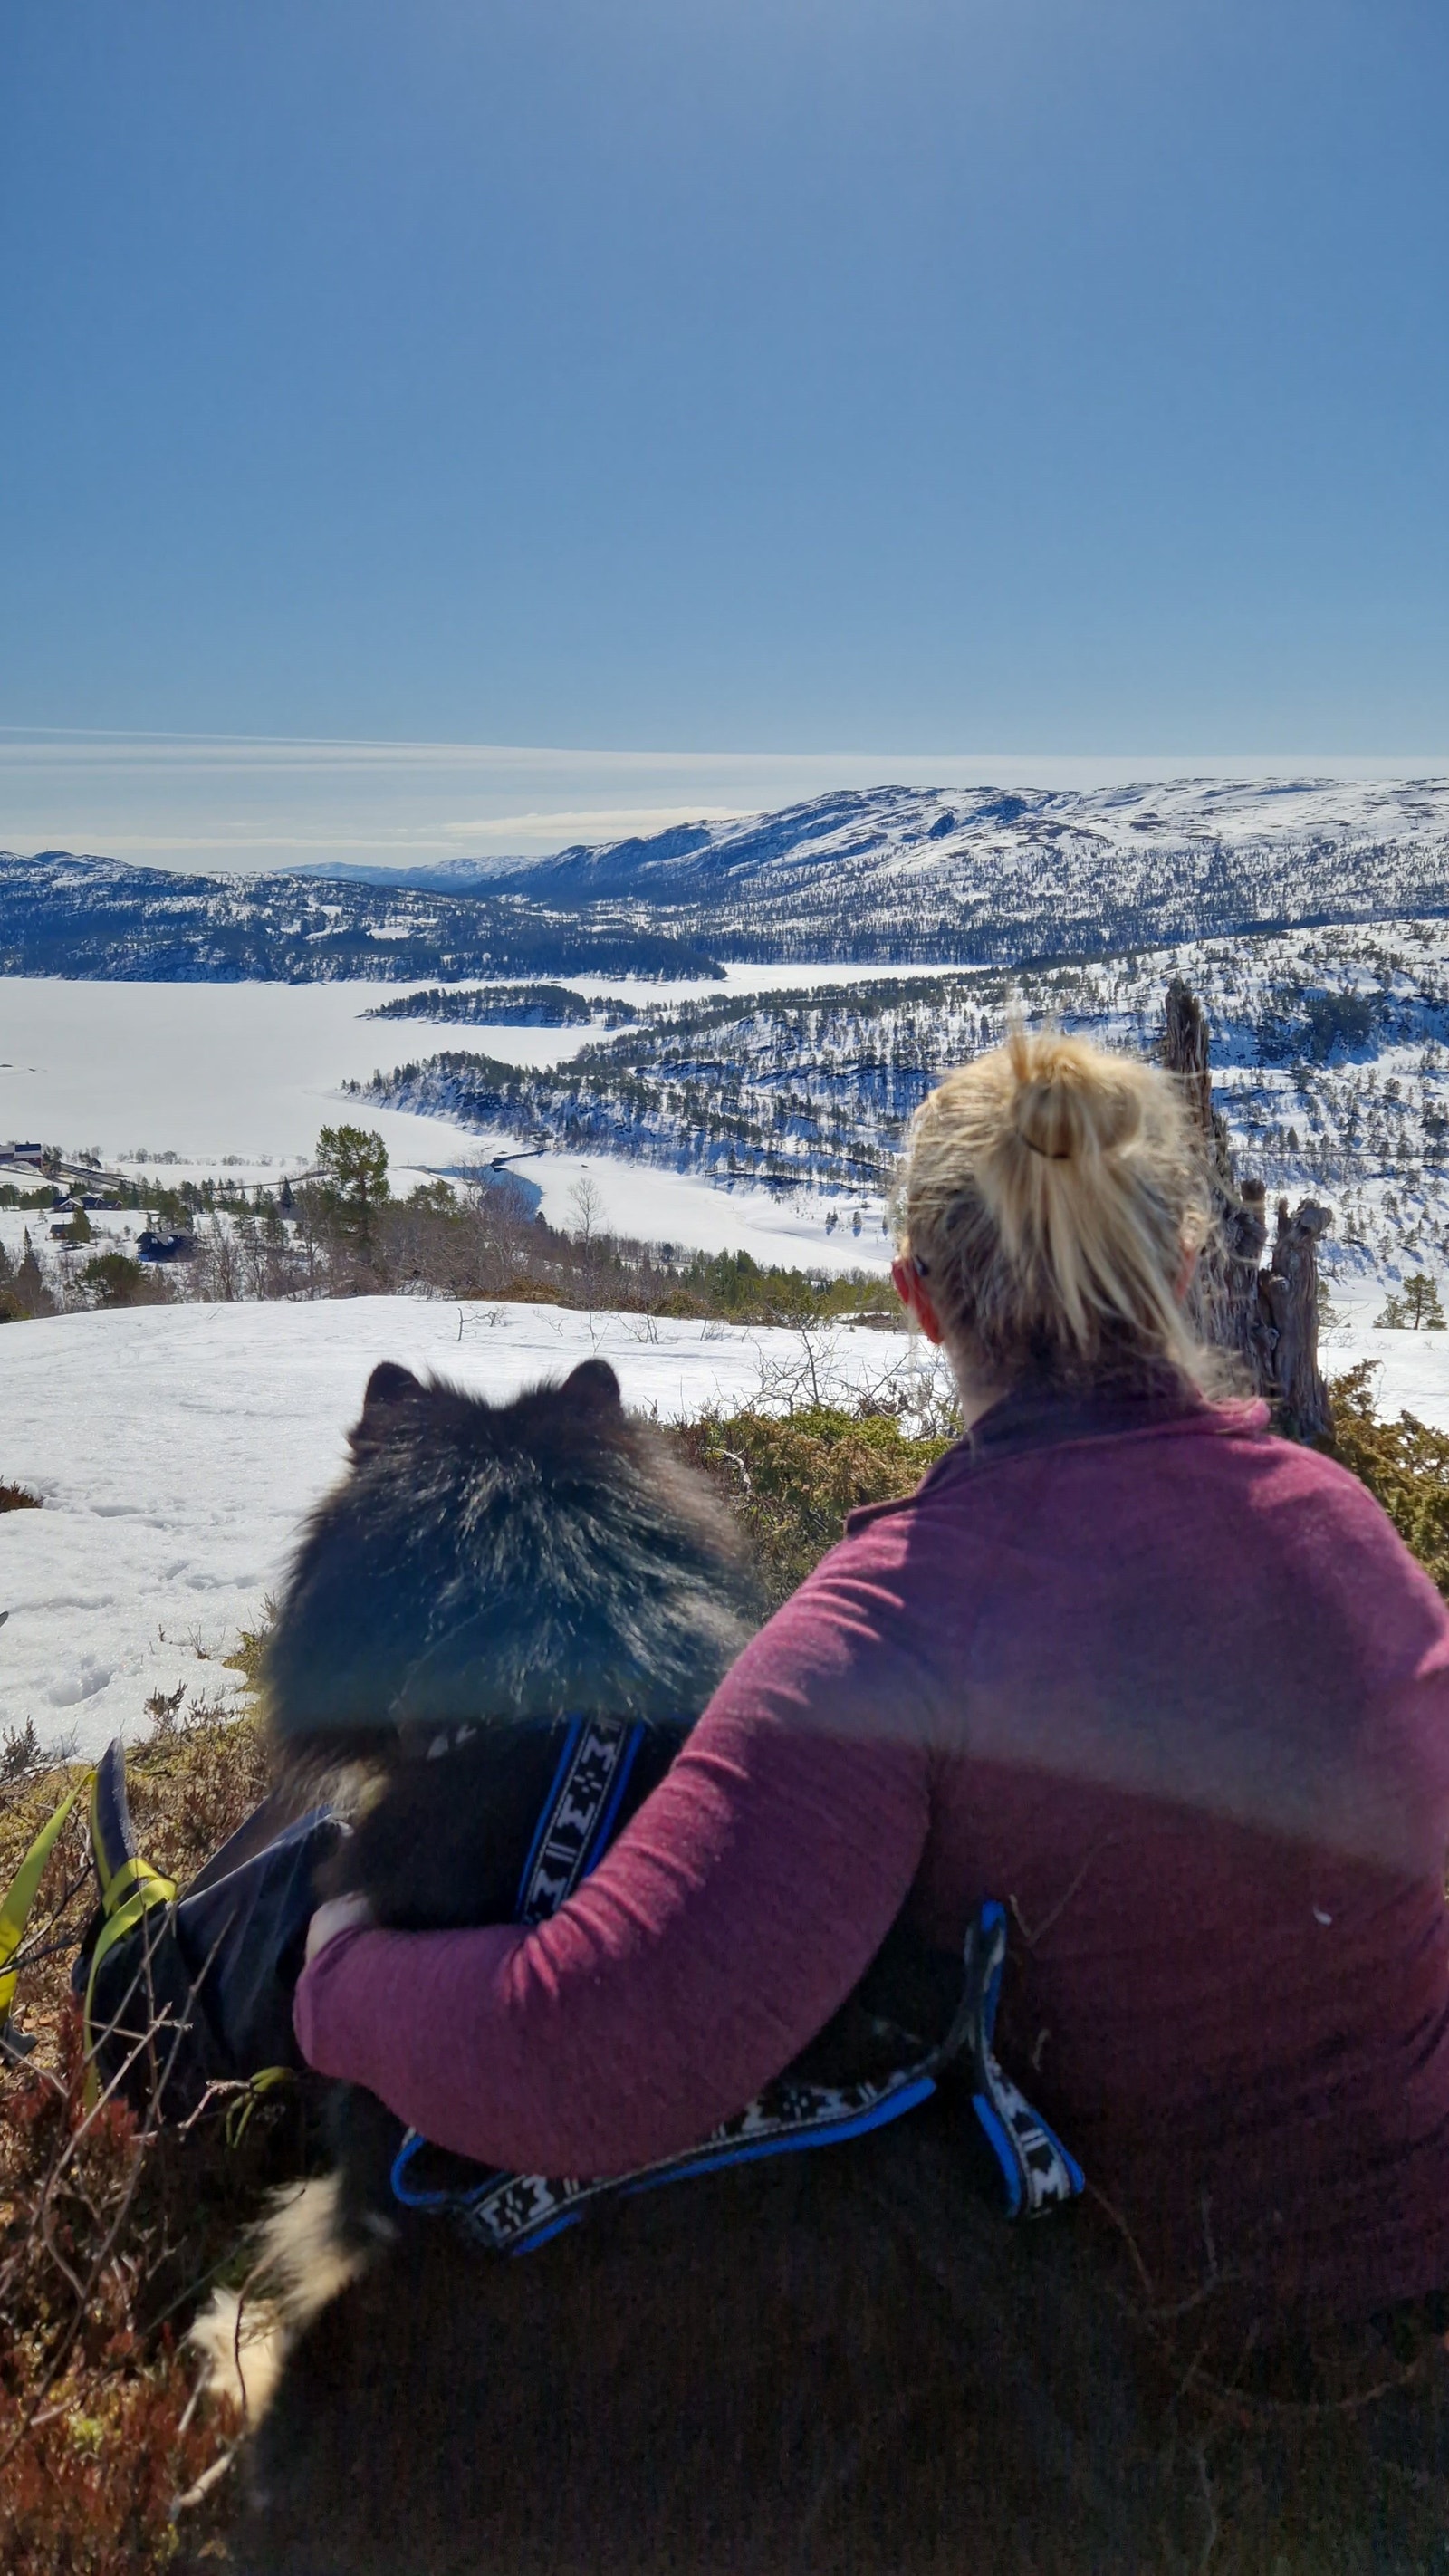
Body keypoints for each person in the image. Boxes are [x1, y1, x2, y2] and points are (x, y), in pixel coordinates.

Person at [295, 1028, 1449, 2322]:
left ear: (920, 1300)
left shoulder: (892, 1627)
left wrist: (339, 1979)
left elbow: (601, 2052)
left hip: (1166, 2332)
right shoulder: (1348, 1527)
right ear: (1185, 1262)